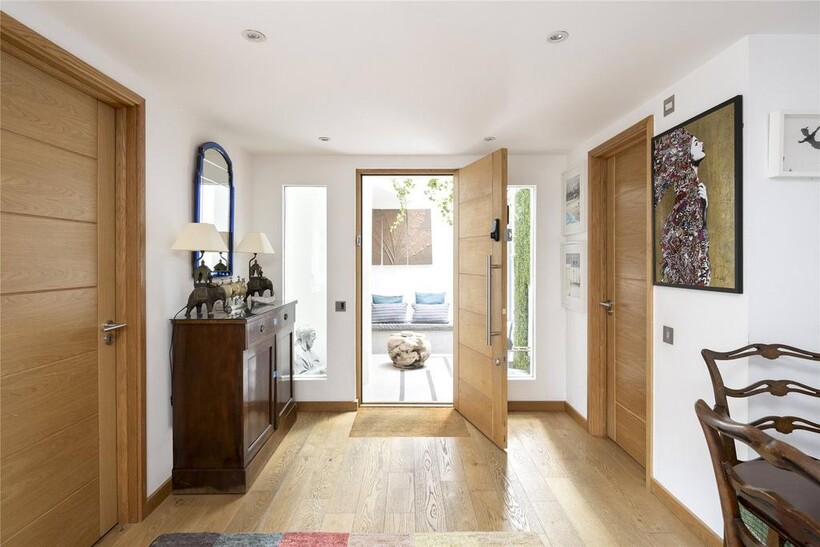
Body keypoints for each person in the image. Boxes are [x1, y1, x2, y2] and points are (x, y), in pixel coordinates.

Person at [653, 127, 711, 286]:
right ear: (687, 153)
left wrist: (704, 205)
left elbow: (698, 229)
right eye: (696, 143)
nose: (702, 143)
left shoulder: (693, 186)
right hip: (682, 246)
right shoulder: (688, 188)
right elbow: (694, 231)